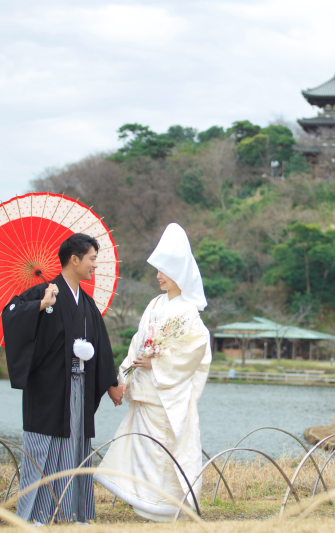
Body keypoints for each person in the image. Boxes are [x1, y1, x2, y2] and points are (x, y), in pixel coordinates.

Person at [2, 233, 124, 524]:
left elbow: (102, 345)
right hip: (47, 388)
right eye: (92, 259)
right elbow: (10, 315)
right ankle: (33, 518)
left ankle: (71, 514)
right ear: (74, 259)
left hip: (78, 386)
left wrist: (111, 383)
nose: (95, 265)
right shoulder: (42, 293)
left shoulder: (88, 304)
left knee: (74, 449)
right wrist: (40, 305)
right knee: (42, 449)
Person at [95, 223, 211, 522]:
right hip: (147, 390)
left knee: (165, 449)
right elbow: (138, 343)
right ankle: (144, 501)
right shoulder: (155, 304)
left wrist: (158, 363)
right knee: (143, 448)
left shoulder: (188, 311)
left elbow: (195, 351)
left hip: (167, 394)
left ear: (179, 273)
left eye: (164, 270)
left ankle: (166, 505)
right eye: (158, 270)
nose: (158, 275)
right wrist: (123, 377)